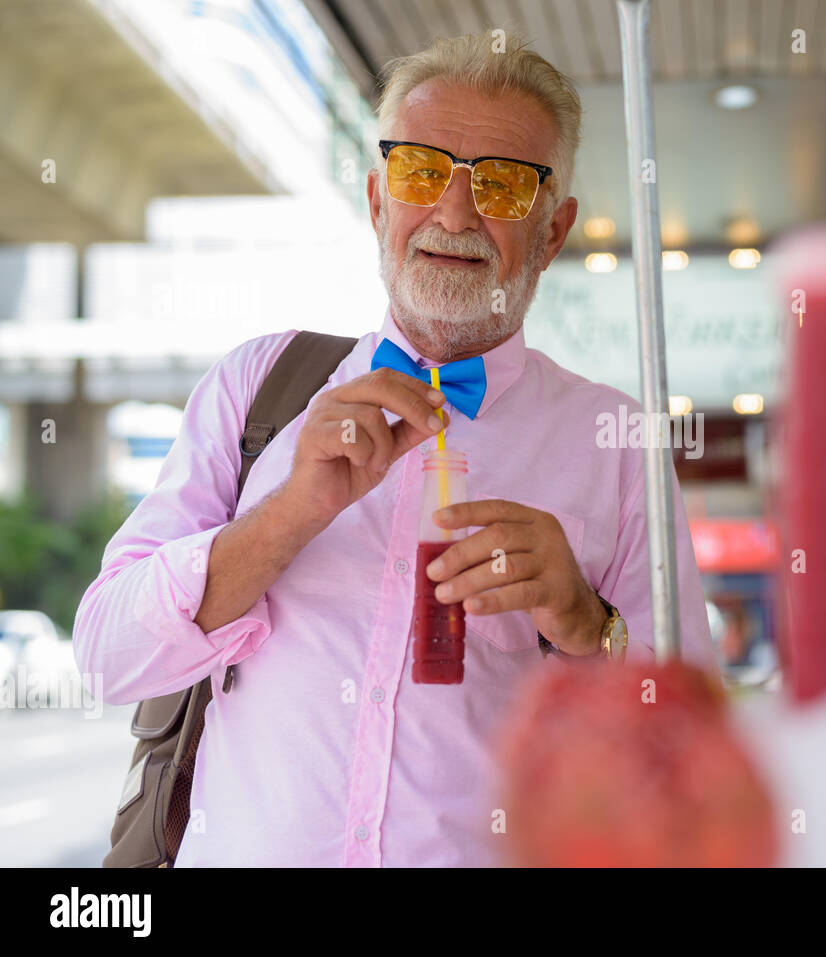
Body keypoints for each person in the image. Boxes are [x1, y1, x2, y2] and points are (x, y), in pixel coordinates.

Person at [73, 32, 717, 867]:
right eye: (421, 173)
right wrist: (288, 513)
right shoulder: (256, 387)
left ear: (553, 233)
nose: (454, 214)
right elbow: (105, 655)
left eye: (502, 184)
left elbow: (693, 758)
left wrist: (589, 626)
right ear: (379, 201)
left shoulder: (617, 444)